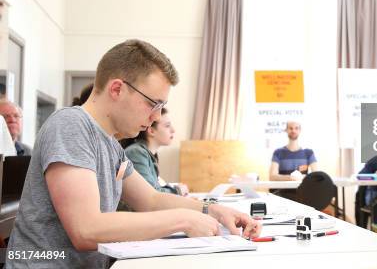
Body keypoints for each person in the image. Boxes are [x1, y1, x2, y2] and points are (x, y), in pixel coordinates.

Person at [6, 40, 260, 268]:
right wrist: (183, 219)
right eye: (153, 104)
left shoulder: (112, 145)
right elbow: (86, 230)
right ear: (117, 89)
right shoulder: (71, 125)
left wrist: (211, 210)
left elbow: (150, 200)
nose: (157, 117)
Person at [123, 108, 189, 196]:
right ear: (151, 131)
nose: (173, 130)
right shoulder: (136, 153)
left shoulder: (148, 154)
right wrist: (177, 191)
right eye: (167, 125)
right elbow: (151, 194)